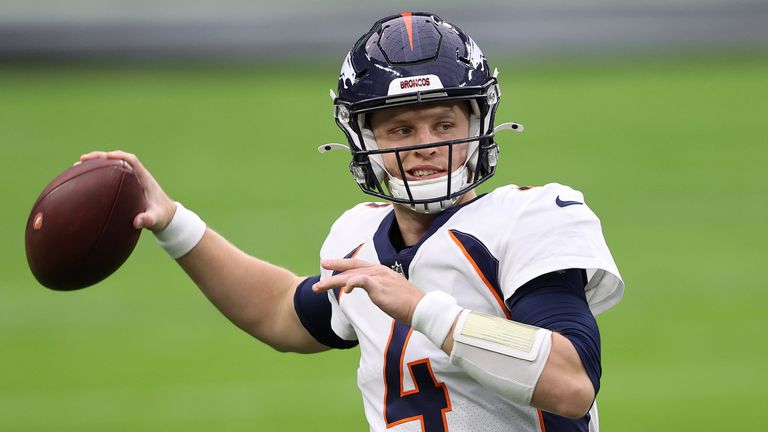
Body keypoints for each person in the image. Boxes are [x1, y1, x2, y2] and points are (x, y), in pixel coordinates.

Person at [82, 12, 623, 432]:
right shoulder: (359, 237)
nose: (427, 146)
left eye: (443, 122)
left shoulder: (528, 217)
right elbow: (280, 313)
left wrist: (423, 309)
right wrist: (173, 223)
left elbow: (571, 384)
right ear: (365, 141)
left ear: (478, 122)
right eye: (401, 130)